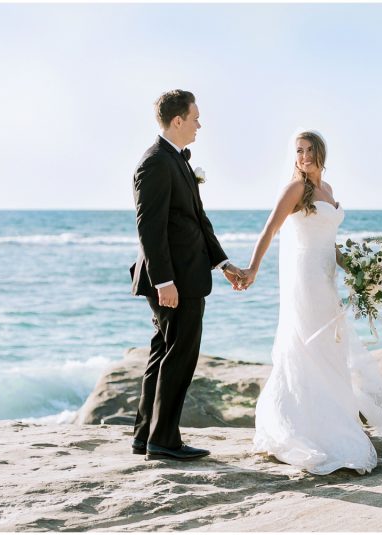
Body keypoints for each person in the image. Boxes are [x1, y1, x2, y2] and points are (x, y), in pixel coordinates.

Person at [241, 130, 382, 475]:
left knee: (329, 347)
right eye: (299, 150)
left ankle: (332, 420)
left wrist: (361, 271)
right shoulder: (295, 189)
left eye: (310, 150)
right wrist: (253, 268)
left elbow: (330, 245)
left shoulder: (329, 191)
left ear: (321, 152)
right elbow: (270, 229)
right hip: (305, 279)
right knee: (306, 345)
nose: (304, 156)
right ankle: (303, 428)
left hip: (326, 278)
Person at [129, 89, 245, 461]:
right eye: (195, 117)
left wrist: (223, 263)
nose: (200, 124)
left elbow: (197, 221)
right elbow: (150, 228)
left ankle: (146, 435)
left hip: (186, 276)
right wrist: (164, 282)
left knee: (163, 352)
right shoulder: (155, 163)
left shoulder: (176, 160)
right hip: (173, 281)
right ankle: (164, 441)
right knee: (179, 356)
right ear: (177, 120)